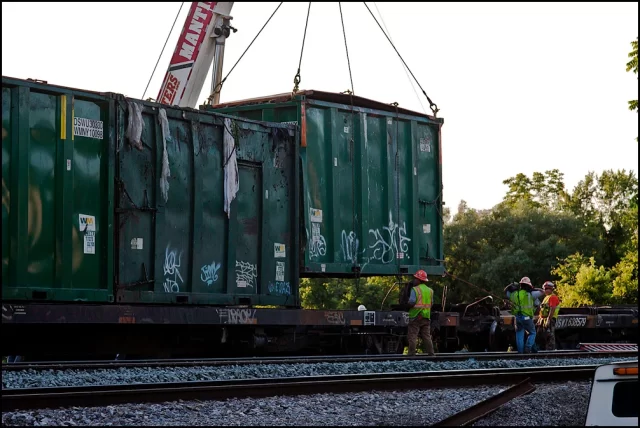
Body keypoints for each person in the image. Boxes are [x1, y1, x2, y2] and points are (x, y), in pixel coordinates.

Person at [504, 277, 544, 353]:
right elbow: (542, 291)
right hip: (526, 317)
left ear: (520, 285)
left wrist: (510, 285)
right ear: (529, 285)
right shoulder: (531, 294)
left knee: (519, 334)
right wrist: (533, 288)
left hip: (517, 318)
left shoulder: (513, 294)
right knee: (532, 333)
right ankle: (528, 347)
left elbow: (505, 291)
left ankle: (521, 353)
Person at [405, 270, 436, 356]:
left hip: (415, 316)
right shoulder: (430, 290)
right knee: (427, 336)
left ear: (419, 280)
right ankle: (431, 354)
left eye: (415, 278)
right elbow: (431, 303)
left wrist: (405, 306)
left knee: (412, 336)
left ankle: (411, 354)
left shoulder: (415, 289)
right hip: (426, 316)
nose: (414, 280)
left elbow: (412, 302)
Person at [537, 281, 560, 350]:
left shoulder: (553, 297)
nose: (545, 290)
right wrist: (539, 319)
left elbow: (552, 309)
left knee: (549, 336)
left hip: (550, 319)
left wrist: (548, 319)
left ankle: (550, 350)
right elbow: (543, 309)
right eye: (545, 289)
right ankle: (544, 349)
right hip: (543, 319)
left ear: (551, 289)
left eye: (547, 288)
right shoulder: (546, 297)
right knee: (543, 335)